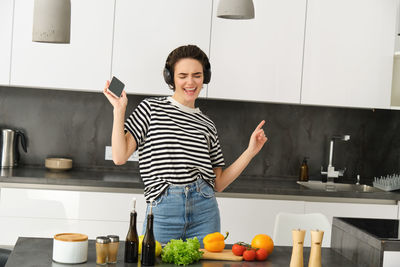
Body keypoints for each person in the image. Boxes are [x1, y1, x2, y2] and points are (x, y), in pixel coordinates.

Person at [103, 45, 267, 245]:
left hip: (205, 211)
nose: (190, 82)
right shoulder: (150, 109)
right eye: (183, 75)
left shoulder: (207, 125)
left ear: (205, 77)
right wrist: (119, 110)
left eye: (197, 75)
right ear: (170, 78)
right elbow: (120, 157)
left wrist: (250, 152)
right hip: (163, 210)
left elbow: (219, 183)